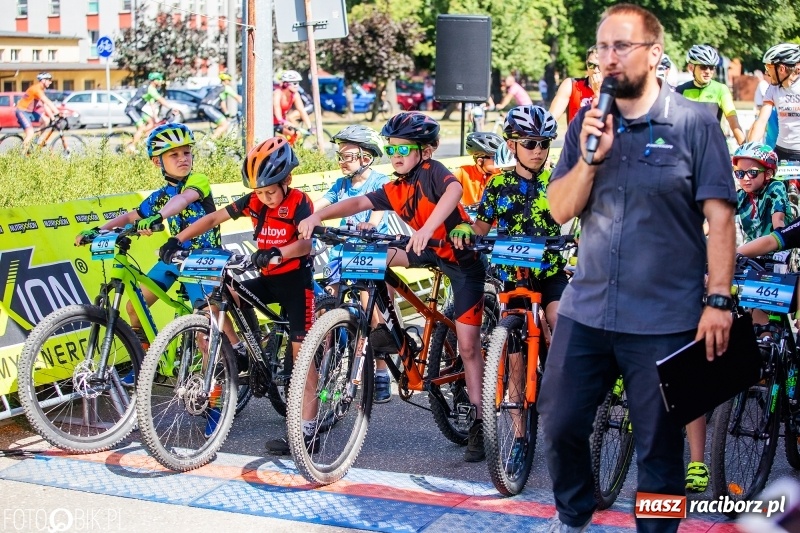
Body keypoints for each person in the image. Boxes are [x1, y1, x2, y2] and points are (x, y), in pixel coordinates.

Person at [541, 4, 735, 532]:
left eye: (621, 46)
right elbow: (559, 209)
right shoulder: (586, 121)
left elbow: (720, 220)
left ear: (653, 54)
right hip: (589, 308)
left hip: (665, 319)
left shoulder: (696, 124)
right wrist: (590, 159)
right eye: (602, 47)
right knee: (559, 424)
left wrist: (718, 300)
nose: (608, 58)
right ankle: (574, 517)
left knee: (661, 450)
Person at [298, 112, 489, 462]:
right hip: (424, 248)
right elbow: (359, 203)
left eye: (404, 148)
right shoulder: (396, 186)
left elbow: (454, 191)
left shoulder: (433, 174)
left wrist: (429, 227)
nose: (396, 155)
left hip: (462, 258)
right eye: (392, 148)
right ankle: (387, 331)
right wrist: (316, 217)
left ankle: (478, 420)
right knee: (373, 257)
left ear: (425, 152)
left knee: (467, 345)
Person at [159, 137, 319, 453]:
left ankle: (308, 431)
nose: (264, 198)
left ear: (287, 180)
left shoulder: (300, 202)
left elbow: (305, 244)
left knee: (303, 357)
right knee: (221, 294)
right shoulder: (254, 201)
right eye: (259, 192)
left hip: (296, 283)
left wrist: (278, 251)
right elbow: (213, 218)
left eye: (270, 191)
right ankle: (238, 348)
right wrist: (178, 239)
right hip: (266, 278)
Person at [74, 123, 241, 396]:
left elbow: (183, 201)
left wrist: (160, 217)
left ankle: (229, 366)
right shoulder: (160, 196)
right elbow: (131, 217)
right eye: (174, 155)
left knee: (206, 326)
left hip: (203, 259)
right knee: (134, 307)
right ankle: (145, 364)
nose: (183, 158)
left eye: (186, 152)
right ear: (157, 162)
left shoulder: (197, 181)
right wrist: (98, 230)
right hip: (173, 260)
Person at [451, 106, 566, 332]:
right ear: (512, 145)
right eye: (530, 143)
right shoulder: (497, 185)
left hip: (549, 269)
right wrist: (466, 228)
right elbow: (481, 227)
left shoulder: (558, 180)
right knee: (510, 338)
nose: (538, 151)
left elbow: (582, 212)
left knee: (559, 319)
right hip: (514, 274)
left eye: (544, 143)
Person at [315, 125, 394, 403]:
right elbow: (319, 206)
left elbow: (377, 214)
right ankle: (328, 359)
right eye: (339, 156)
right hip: (340, 253)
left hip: (367, 254)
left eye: (347, 156)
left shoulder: (380, 183)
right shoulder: (340, 185)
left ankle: (381, 372)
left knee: (369, 310)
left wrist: (370, 224)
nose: (341, 162)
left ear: (366, 158)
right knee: (328, 305)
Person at [676, 45, 746, 145]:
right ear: (691, 67)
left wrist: (746, 149)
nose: (708, 71)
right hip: (687, 147)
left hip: (713, 146)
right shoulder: (680, 90)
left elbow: (733, 122)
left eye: (712, 67)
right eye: (703, 67)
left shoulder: (721, 89)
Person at [748, 43, 800, 161]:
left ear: (781, 69)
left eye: (768, 68)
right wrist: (749, 152)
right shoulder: (773, 88)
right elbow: (761, 121)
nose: (766, 73)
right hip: (781, 153)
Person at [735, 142, 789, 243]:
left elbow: (778, 221)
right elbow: (718, 219)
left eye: (752, 172)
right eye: (740, 173)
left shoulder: (775, 187)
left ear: (768, 174)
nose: (745, 178)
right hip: (752, 249)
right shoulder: (741, 195)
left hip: (777, 245)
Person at [549, 47, 603, 124]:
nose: (596, 70)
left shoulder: (617, 89)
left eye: (600, 66)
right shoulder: (571, 85)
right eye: (591, 65)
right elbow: (551, 118)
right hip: (575, 135)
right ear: (586, 63)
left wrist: (597, 92)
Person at [125, 72, 174, 153]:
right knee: (142, 127)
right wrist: (171, 107)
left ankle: (138, 138)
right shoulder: (150, 88)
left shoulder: (151, 90)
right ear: (154, 80)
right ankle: (132, 146)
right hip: (131, 109)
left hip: (137, 110)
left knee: (151, 122)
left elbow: (152, 105)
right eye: (159, 80)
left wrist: (155, 117)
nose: (160, 82)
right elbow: (160, 99)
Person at [453, 132, 504, 207]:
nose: (500, 162)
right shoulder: (463, 172)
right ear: (480, 161)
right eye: (495, 158)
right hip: (470, 217)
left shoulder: (502, 175)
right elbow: (443, 189)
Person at [15, 72, 60, 150]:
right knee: (30, 133)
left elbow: (45, 105)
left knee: (46, 120)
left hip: (30, 112)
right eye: (49, 80)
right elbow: (47, 102)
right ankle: (22, 155)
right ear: (43, 80)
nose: (50, 82)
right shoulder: (36, 89)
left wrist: (53, 118)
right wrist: (58, 113)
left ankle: (34, 140)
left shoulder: (41, 90)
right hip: (22, 111)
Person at [273, 70, 313, 145]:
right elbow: (276, 107)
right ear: (286, 84)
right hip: (272, 122)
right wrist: (282, 121)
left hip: (281, 122)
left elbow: (301, 110)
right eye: (294, 83)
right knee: (291, 135)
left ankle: (291, 152)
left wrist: (309, 126)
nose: (297, 86)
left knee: (296, 135)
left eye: (298, 83)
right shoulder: (278, 92)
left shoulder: (295, 95)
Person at [199, 72, 243, 139]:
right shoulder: (226, 88)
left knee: (222, 125)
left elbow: (222, 103)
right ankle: (210, 141)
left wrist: (226, 113)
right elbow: (238, 98)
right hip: (209, 108)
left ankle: (219, 144)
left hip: (203, 106)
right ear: (226, 80)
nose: (230, 82)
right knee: (224, 125)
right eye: (229, 80)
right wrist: (245, 103)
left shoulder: (217, 87)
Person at [753, 69, 780, 148]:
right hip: (764, 109)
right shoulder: (767, 85)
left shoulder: (762, 84)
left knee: (765, 130)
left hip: (765, 109)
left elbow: (766, 97)